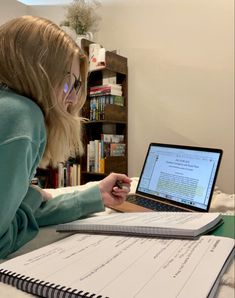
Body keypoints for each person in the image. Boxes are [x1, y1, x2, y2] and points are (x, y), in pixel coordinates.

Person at [0, 16, 131, 259]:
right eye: (65, 85)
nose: (71, 100)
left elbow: (16, 212)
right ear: (36, 73)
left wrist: (95, 195)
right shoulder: (21, 114)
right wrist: (33, 196)